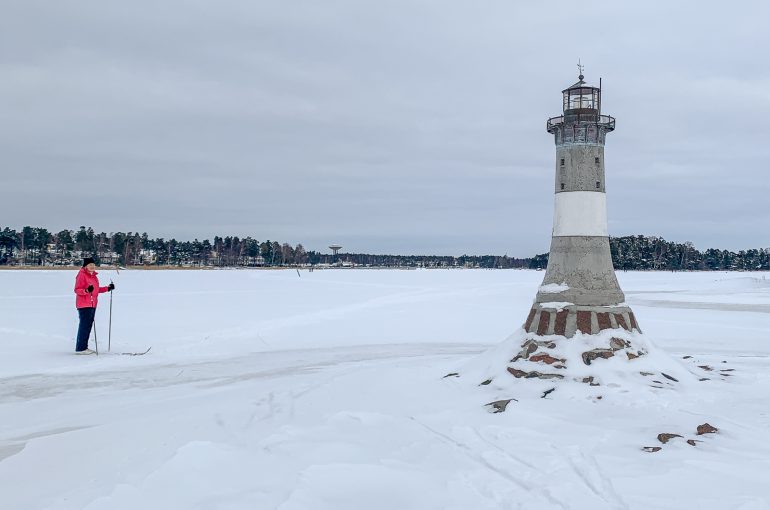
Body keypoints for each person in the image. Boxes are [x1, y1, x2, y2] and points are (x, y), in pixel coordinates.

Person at [73, 257, 115, 354]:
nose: (92, 266)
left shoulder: (93, 276)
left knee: (88, 326)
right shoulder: (82, 275)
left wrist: (108, 288)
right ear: (85, 266)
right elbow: (77, 290)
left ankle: (83, 347)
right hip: (84, 304)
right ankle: (80, 348)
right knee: (84, 326)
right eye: (90, 265)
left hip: (92, 304)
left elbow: (96, 290)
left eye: (93, 265)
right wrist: (86, 291)